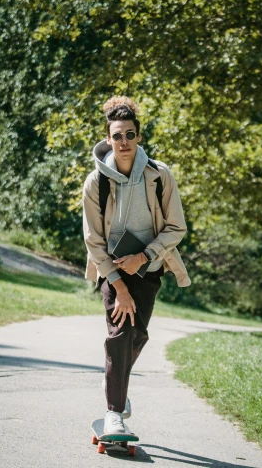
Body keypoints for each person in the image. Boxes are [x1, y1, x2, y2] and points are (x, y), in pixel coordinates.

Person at [82, 96, 191, 435]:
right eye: (117, 136)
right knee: (121, 333)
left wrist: (143, 257)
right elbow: (93, 241)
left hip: (149, 268)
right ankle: (114, 413)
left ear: (139, 136)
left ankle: (113, 380)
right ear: (107, 138)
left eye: (130, 135)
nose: (124, 142)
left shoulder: (160, 176)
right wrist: (118, 283)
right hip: (112, 269)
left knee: (138, 335)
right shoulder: (95, 183)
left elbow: (177, 228)